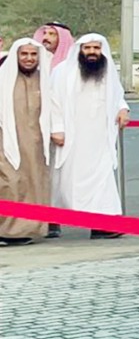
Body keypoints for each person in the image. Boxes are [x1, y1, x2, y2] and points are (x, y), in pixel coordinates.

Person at [49, 33, 128, 235]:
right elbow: (53, 102)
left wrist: (122, 109)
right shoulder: (62, 72)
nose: (92, 52)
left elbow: (117, 95)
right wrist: (57, 128)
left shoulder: (108, 71)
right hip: (71, 138)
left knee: (102, 178)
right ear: (80, 50)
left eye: (96, 48)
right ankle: (53, 221)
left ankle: (102, 225)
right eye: (88, 48)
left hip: (100, 138)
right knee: (64, 181)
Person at [0, 39, 57, 245]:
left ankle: (25, 230)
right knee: (10, 183)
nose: (29, 59)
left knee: (33, 184)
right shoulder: (3, 78)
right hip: (6, 142)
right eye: (24, 54)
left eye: (33, 55)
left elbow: (56, 108)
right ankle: (7, 230)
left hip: (35, 145)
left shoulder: (45, 81)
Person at [32, 21, 72, 238]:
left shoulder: (71, 66)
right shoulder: (33, 62)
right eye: (44, 33)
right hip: (33, 127)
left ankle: (54, 220)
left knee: (58, 177)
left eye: (52, 34)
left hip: (63, 129)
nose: (46, 38)